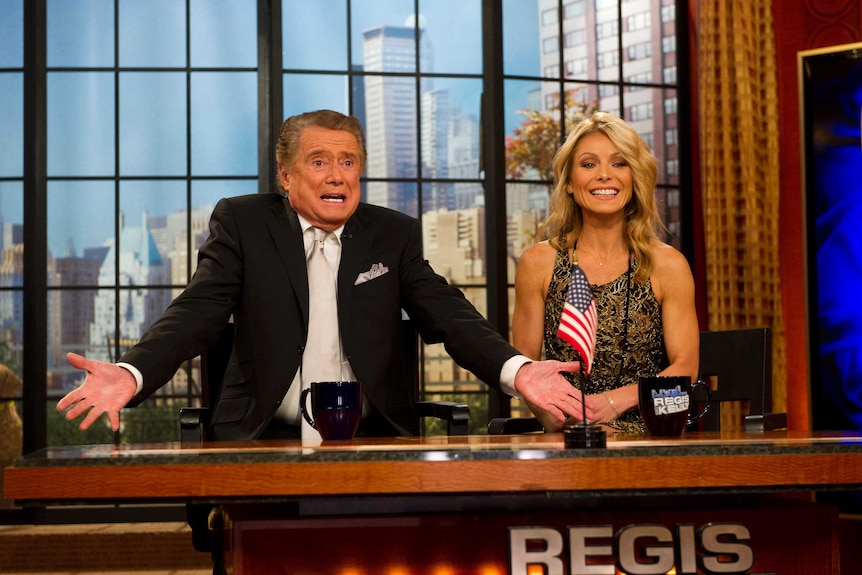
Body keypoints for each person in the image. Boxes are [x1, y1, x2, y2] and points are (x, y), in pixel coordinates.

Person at [58, 109, 593, 441]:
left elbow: (447, 312)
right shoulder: (244, 222)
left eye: (349, 161)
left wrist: (519, 370)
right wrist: (131, 373)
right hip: (264, 432)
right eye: (319, 162)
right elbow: (197, 312)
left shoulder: (392, 233)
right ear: (286, 176)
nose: (338, 175)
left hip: (374, 433)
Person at [512, 111, 699, 433]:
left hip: (649, 432)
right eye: (588, 164)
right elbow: (524, 365)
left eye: (619, 163)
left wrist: (610, 404)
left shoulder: (668, 265)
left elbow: (685, 368)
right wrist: (561, 423)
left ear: (635, 177)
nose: (604, 175)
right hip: (567, 432)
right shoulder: (537, 262)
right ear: (569, 183)